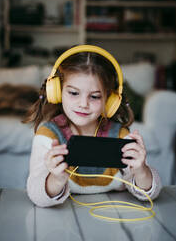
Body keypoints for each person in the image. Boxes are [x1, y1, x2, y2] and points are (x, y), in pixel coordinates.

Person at [24, 45, 161, 207]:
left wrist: (141, 170)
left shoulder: (119, 135)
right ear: (58, 92)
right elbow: (36, 194)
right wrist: (56, 179)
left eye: (95, 97)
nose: (83, 104)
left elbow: (149, 192)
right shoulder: (48, 135)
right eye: (74, 93)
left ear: (109, 101)